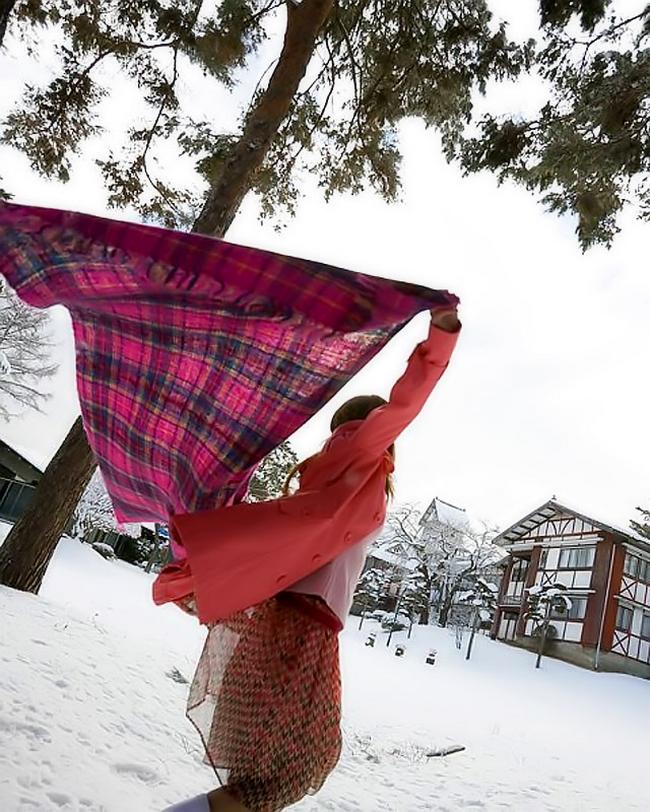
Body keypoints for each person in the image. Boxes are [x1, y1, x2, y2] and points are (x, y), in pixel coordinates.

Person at [161, 305, 461, 812]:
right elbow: (406, 403)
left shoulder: (334, 474)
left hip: (285, 630)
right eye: (385, 427)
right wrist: (442, 336)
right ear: (371, 426)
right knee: (282, 776)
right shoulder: (360, 457)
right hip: (303, 633)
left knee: (261, 777)